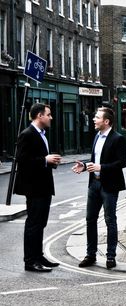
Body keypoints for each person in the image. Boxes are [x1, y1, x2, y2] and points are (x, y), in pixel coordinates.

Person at [71, 107, 126, 269]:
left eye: (97, 117)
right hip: (94, 185)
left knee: (110, 220)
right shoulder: (96, 136)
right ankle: (90, 255)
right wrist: (84, 166)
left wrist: (100, 167)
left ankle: (111, 256)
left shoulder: (118, 139)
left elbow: (122, 163)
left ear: (106, 121)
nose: (94, 119)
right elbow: (94, 160)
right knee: (90, 220)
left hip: (109, 186)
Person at [14, 103, 62, 272]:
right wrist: (45, 160)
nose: (51, 117)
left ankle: (38, 256)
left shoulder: (42, 134)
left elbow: (39, 158)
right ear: (39, 116)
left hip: (44, 186)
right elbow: (22, 160)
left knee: (40, 223)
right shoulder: (27, 134)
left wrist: (51, 161)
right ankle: (30, 261)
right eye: (48, 114)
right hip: (34, 188)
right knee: (33, 223)